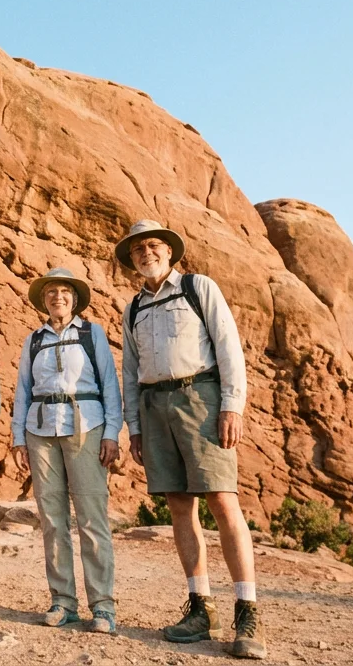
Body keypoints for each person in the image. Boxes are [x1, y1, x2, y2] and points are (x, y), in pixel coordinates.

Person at [116, 219, 267, 660]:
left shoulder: (198, 288)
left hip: (200, 398)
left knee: (223, 501)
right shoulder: (134, 308)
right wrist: (135, 426)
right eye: (138, 249)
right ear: (132, 260)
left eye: (153, 245)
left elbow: (228, 346)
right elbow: (129, 371)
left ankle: (248, 612)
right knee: (181, 508)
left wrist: (231, 406)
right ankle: (200, 608)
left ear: (169, 251)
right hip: (153, 405)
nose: (146, 253)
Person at [10, 268, 123, 634]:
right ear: (43, 300)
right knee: (53, 520)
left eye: (64, 291)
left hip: (86, 427)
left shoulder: (92, 334)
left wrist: (112, 433)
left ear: (74, 299)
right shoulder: (33, 341)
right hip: (40, 429)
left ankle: (103, 607)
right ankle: (63, 601)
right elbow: (23, 389)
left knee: (92, 518)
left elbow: (109, 383)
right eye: (51, 292)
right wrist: (17, 438)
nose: (58, 296)